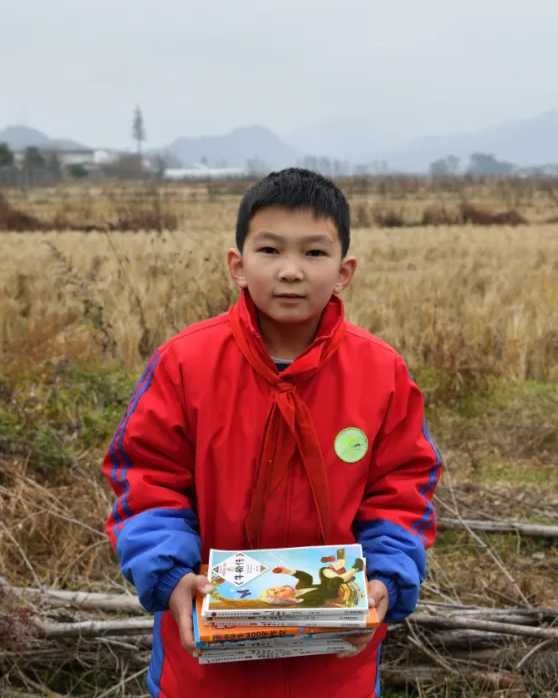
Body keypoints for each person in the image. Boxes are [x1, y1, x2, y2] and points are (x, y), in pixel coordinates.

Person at [102, 168, 443, 698]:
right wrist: (170, 579)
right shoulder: (185, 364)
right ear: (237, 265)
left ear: (344, 270)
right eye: (269, 251)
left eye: (313, 253)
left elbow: (403, 488)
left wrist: (387, 578)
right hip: (204, 668)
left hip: (335, 667)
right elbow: (146, 479)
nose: (290, 271)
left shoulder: (380, 373)